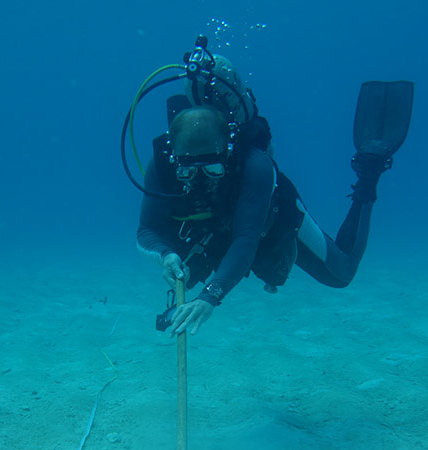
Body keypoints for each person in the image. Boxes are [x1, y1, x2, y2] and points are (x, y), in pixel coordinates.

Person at [131, 44, 413, 336]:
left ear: (227, 156)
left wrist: (210, 296)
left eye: (213, 170)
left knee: (341, 274)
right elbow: (146, 230)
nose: (202, 181)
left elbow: (247, 236)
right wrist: (165, 254)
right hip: (211, 230)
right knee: (188, 265)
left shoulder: (255, 165)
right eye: (188, 172)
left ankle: (368, 174)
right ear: (176, 159)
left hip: (268, 220)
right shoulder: (161, 164)